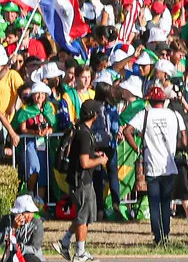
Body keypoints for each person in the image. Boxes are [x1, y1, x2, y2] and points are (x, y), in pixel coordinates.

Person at [128, 86, 184, 247]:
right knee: (166, 202)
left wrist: (137, 148)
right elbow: (185, 138)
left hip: (152, 164)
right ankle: (165, 233)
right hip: (169, 164)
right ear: (163, 101)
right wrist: (175, 147)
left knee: (154, 201)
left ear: (150, 101)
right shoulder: (174, 114)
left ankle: (157, 235)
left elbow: (127, 131)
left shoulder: (144, 114)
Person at [61, 99, 107, 262]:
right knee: (83, 217)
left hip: (80, 179)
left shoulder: (80, 129)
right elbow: (84, 163)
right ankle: (79, 253)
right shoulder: (84, 134)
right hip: (81, 180)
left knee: (84, 215)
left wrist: (96, 155)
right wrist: (100, 161)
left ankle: (64, 242)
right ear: (94, 115)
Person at [6, 195, 46, 262]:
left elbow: (35, 248)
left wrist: (21, 247)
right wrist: (13, 229)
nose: (30, 215)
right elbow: (0, 240)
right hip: (14, 256)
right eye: (27, 212)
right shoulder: (9, 220)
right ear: (18, 212)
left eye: (31, 212)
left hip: (33, 257)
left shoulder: (37, 223)